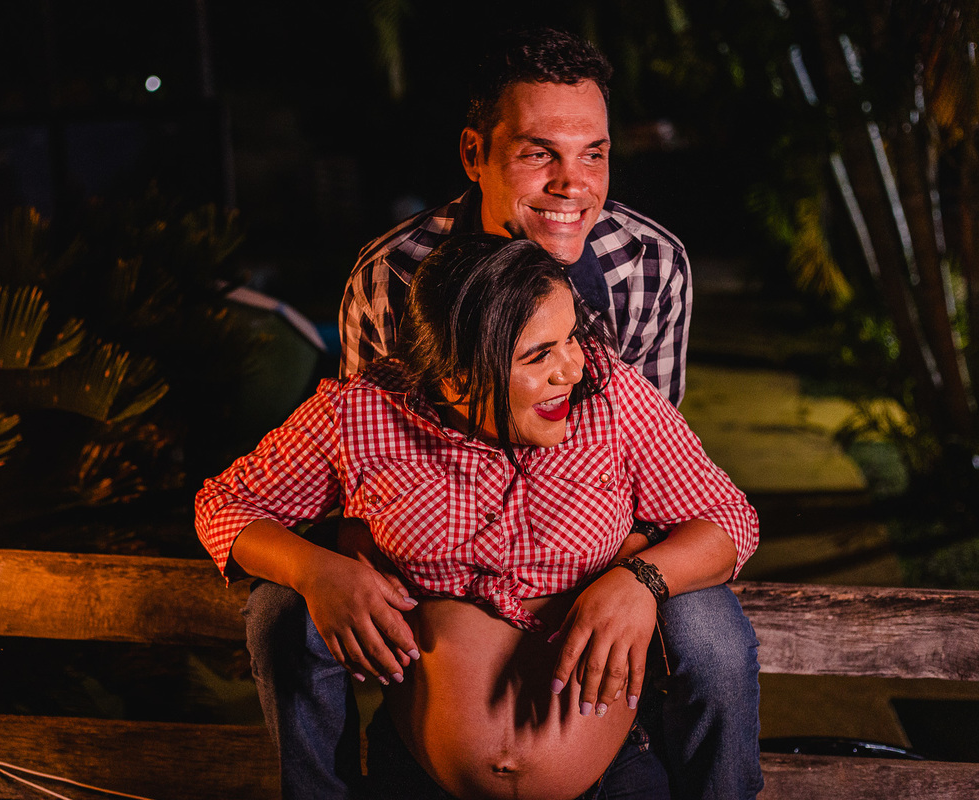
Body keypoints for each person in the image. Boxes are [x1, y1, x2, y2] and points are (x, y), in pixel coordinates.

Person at [249, 27, 764, 800]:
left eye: (594, 152)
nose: (572, 184)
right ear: (474, 155)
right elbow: (374, 461)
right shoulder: (393, 275)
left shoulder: (651, 265)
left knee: (713, 635)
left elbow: (667, 478)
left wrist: (622, 573)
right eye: (538, 153)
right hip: (434, 562)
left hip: (605, 551)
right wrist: (366, 559)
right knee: (280, 613)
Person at [197, 235, 759, 799]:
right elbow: (222, 503)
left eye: (571, 339)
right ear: (453, 378)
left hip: (610, 781)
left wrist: (641, 581)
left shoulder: (613, 400)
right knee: (278, 609)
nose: (571, 368)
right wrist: (314, 571)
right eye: (538, 355)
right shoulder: (362, 416)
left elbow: (729, 518)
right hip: (420, 779)